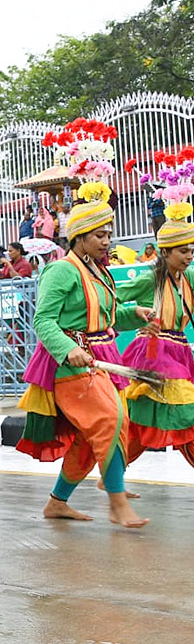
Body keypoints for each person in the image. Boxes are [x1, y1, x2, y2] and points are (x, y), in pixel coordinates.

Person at [14, 126, 149, 528]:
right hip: (71, 363)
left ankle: (58, 501)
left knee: (93, 438)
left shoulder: (98, 271)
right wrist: (66, 349)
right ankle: (118, 503)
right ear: (80, 237)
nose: (108, 241)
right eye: (100, 235)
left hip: (102, 357)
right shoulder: (61, 270)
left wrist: (134, 314)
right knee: (110, 422)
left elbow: (106, 318)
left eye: (109, 234)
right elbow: (43, 321)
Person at [116, 164, 194, 467]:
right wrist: (133, 314)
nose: (188, 256)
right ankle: (113, 473)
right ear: (166, 252)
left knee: (144, 422)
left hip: (180, 353)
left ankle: (113, 472)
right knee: (186, 411)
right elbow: (111, 298)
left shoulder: (189, 279)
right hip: (153, 352)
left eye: (191, 251)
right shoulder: (151, 277)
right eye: (182, 252)